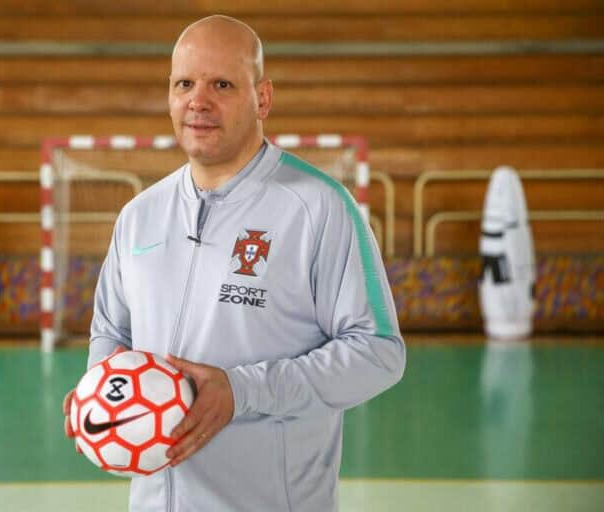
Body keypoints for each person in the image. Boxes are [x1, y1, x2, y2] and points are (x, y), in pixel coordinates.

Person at [63, 14, 406, 511]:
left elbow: (378, 352)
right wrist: (103, 392)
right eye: (184, 84)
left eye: (221, 84)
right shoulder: (140, 215)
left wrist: (243, 391)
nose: (198, 101)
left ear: (262, 98)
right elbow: (111, 332)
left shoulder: (319, 208)